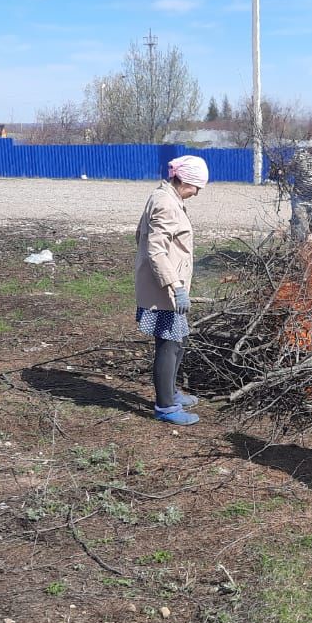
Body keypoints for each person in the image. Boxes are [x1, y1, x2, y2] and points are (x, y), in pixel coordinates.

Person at [134, 155, 208, 426]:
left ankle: (171, 391)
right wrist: (176, 287)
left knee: (179, 340)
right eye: (196, 186)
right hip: (163, 289)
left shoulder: (170, 198)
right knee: (169, 343)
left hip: (167, 286)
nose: (197, 192)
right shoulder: (165, 203)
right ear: (183, 180)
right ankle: (165, 407)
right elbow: (156, 250)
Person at [276, 126, 312, 241]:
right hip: (300, 201)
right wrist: (279, 172)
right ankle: (298, 257)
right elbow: (288, 170)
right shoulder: (301, 155)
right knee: (299, 235)